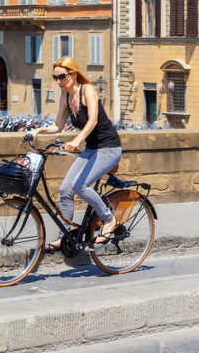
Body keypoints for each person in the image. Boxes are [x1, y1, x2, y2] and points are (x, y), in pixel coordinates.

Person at [31, 56, 122, 252]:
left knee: (80, 185)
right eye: (55, 78)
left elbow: (93, 120)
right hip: (91, 149)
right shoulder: (65, 97)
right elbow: (58, 126)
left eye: (61, 77)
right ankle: (64, 237)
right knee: (65, 189)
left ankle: (109, 219)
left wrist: (76, 141)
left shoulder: (87, 90)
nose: (58, 82)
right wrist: (37, 131)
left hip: (109, 147)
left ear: (72, 75)